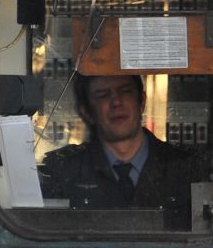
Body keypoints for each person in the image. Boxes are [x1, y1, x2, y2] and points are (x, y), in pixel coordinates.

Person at [38, 73, 199, 224]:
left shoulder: (184, 168)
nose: (116, 102)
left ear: (142, 101)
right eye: (103, 95)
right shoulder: (63, 170)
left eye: (125, 91)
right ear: (87, 112)